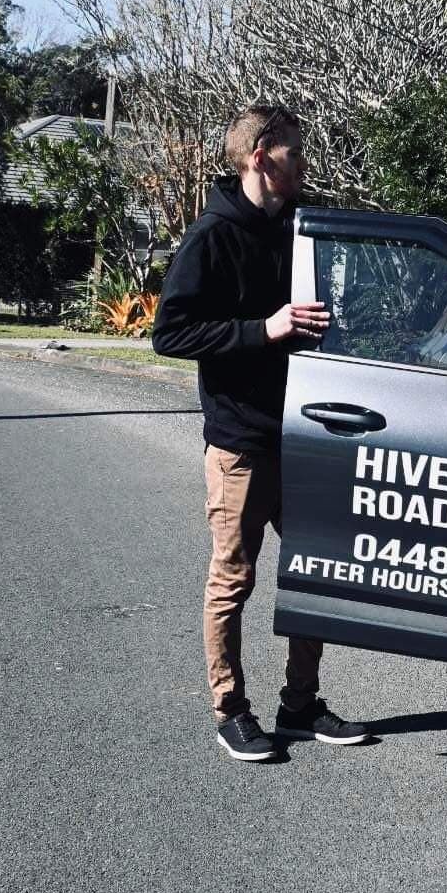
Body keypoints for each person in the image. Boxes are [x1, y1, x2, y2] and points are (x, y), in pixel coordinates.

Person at [153, 103, 370, 761]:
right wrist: (263, 330)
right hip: (242, 445)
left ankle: (300, 705)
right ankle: (231, 708)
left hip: (305, 437)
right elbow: (170, 333)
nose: (305, 163)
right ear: (258, 157)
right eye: (294, 153)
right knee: (233, 580)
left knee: (315, 575)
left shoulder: (301, 229)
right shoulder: (211, 237)